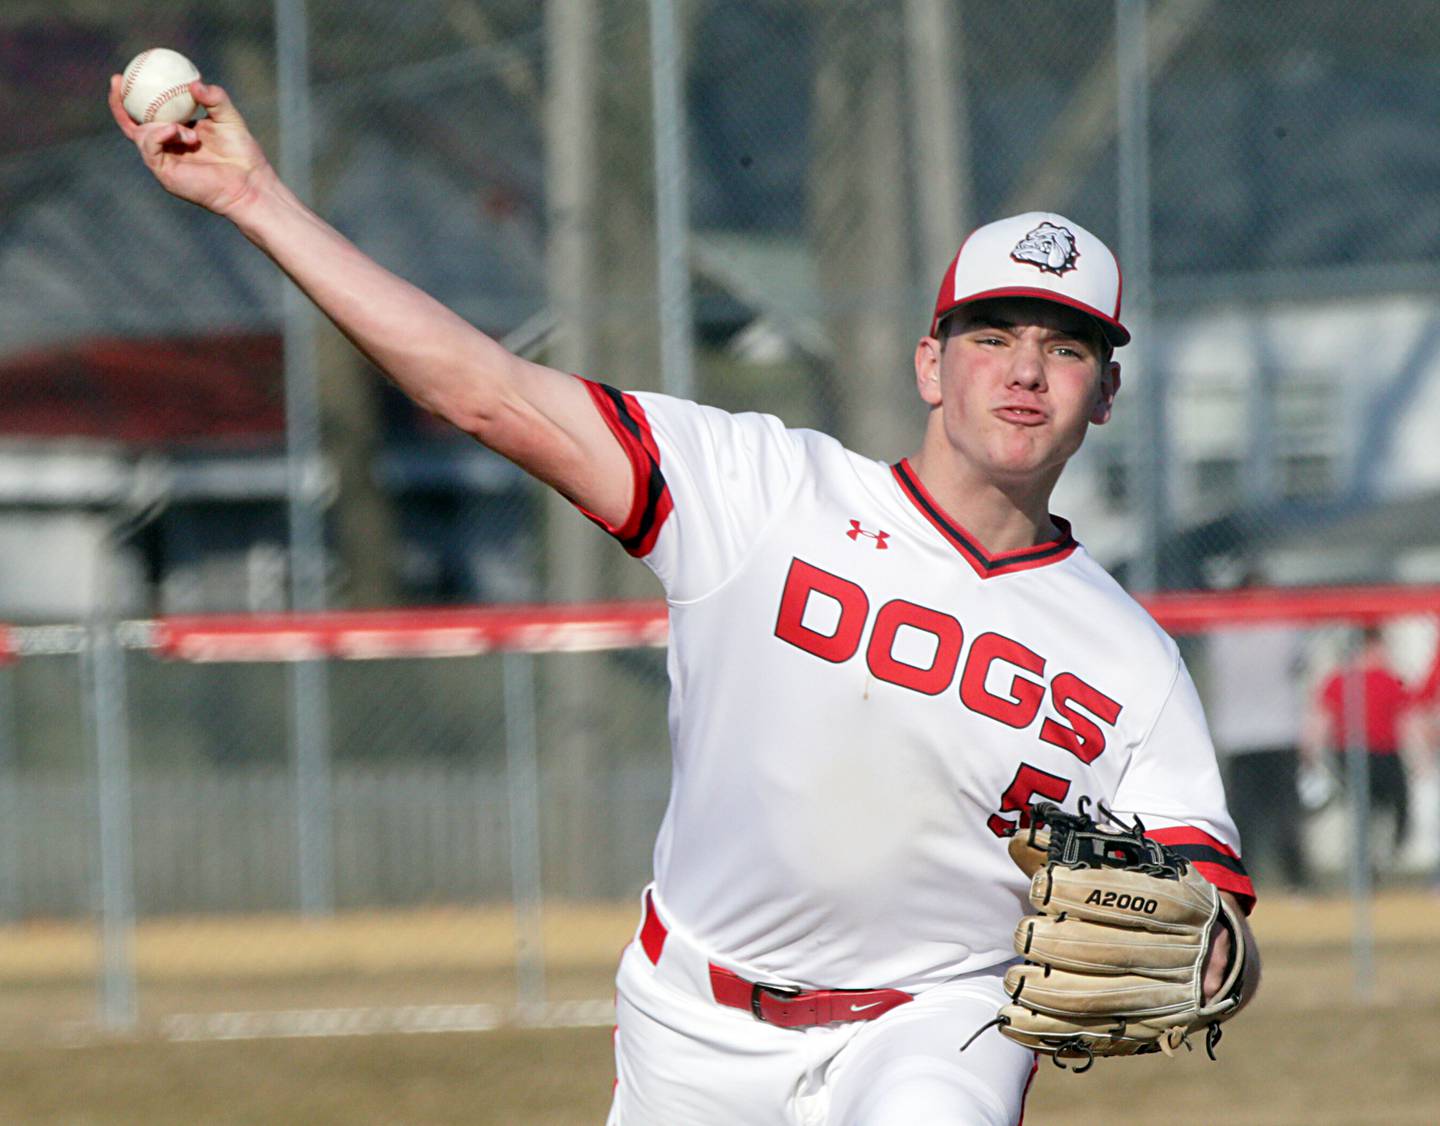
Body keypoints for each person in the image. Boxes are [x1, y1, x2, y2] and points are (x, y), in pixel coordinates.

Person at [110, 75, 1260, 1126]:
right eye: (993, 334)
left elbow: (1207, 891)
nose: (1022, 369)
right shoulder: (760, 489)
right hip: (691, 1022)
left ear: (1104, 393)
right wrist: (256, 197)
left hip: (938, 1022)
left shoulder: (1130, 660)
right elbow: (484, 390)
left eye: (1064, 349)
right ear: (929, 363)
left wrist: (1213, 952)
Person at [1204, 571, 1309, 889]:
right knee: (1246, 818)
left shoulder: (1233, 627)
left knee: (1282, 817)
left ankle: (1293, 880)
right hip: (1246, 735)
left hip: (1275, 732)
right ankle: (1242, 880)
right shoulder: (1237, 628)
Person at [1301, 626, 1416, 871]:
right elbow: (1323, 719)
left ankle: (1383, 855)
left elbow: (1406, 718)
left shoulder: (1388, 679)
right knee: (1367, 809)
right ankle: (1366, 863)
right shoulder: (1341, 680)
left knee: (1394, 807)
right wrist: (1312, 750)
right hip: (1353, 752)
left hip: (1384, 752)